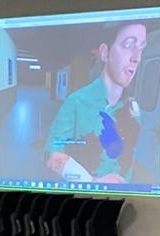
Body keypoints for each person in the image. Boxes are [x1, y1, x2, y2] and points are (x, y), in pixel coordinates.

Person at [45, 21, 147, 184]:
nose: (136, 57)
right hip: (86, 203)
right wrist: (93, 182)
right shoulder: (76, 102)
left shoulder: (133, 109)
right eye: (128, 45)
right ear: (105, 53)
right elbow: (52, 153)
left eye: (141, 47)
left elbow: (130, 157)